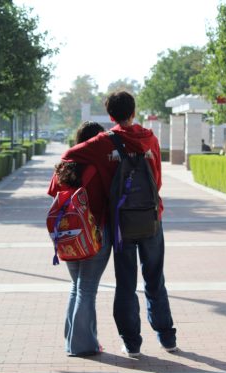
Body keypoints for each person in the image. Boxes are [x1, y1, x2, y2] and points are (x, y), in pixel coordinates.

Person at [60, 91, 177, 357]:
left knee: (126, 283)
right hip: (151, 218)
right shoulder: (150, 139)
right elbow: (157, 180)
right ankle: (167, 338)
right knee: (155, 279)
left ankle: (132, 342)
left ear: (110, 115)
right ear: (134, 111)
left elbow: (69, 155)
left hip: (121, 223)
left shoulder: (104, 142)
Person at [48, 121, 111, 357]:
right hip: (94, 234)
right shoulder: (99, 166)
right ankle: (82, 345)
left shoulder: (65, 165)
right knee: (86, 289)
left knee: (77, 286)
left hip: (67, 235)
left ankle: (76, 340)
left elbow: (53, 196)